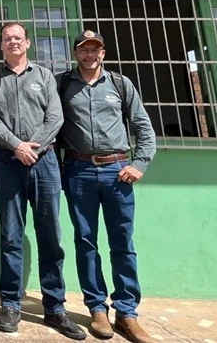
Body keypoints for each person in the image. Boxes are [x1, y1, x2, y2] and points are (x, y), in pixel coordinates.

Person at [0, 23, 84, 339]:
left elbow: (55, 117)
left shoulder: (44, 76)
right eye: (7, 38)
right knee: (11, 236)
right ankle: (10, 304)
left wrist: (33, 148)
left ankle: (54, 307)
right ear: (1, 45)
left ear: (27, 43)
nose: (12, 42)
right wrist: (17, 146)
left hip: (45, 162)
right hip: (8, 162)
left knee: (50, 234)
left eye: (17, 38)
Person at [57, 30, 157, 343]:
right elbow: (52, 126)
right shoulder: (63, 84)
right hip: (79, 170)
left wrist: (140, 164)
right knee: (86, 241)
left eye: (95, 49)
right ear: (76, 53)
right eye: (83, 50)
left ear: (103, 53)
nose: (89, 55)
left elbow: (142, 125)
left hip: (117, 171)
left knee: (122, 242)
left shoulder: (120, 84)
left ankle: (127, 313)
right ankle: (97, 309)